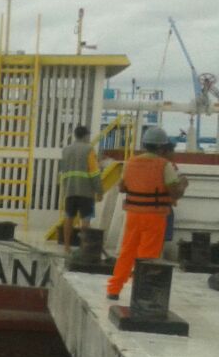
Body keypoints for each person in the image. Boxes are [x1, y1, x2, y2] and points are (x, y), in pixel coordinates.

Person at [106, 126, 188, 300]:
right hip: (155, 216)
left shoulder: (130, 163)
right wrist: (183, 183)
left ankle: (114, 289)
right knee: (148, 256)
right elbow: (174, 193)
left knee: (127, 252)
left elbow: (122, 187)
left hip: (134, 215)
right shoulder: (164, 165)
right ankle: (141, 292)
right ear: (161, 147)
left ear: (144, 144)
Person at [58, 125, 103, 254]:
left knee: (68, 218)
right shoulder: (89, 149)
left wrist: (65, 187)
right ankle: (84, 247)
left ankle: (66, 247)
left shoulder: (66, 150)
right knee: (85, 220)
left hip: (70, 190)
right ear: (86, 136)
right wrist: (99, 191)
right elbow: (94, 172)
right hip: (86, 191)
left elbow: (63, 171)